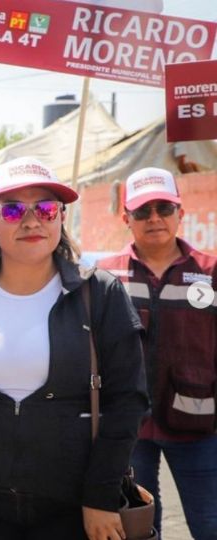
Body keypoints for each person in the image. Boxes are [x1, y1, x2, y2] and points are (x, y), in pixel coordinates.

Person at [0, 157, 148, 540]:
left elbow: (128, 400)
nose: (32, 221)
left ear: (61, 219)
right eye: (13, 210)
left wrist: (99, 496)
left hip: (75, 508)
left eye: (46, 209)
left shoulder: (100, 293)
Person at [97, 168, 217, 539]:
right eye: (142, 211)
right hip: (126, 430)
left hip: (200, 429)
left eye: (164, 208)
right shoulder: (105, 276)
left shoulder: (210, 272)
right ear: (125, 218)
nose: (154, 219)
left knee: (210, 526)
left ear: (180, 213)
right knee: (137, 528)